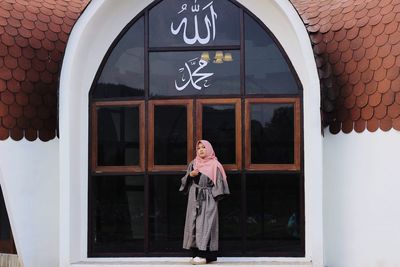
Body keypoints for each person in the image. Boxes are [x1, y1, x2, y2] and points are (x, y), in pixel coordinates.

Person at [179, 140, 230, 265]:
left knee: (206, 224)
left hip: (208, 198)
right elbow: (185, 181)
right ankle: (196, 253)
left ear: (209, 149)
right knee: (194, 224)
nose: (201, 150)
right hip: (194, 197)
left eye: (204, 147)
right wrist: (190, 175)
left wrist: (213, 198)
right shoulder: (193, 163)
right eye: (199, 148)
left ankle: (205, 255)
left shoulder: (215, 165)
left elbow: (220, 183)